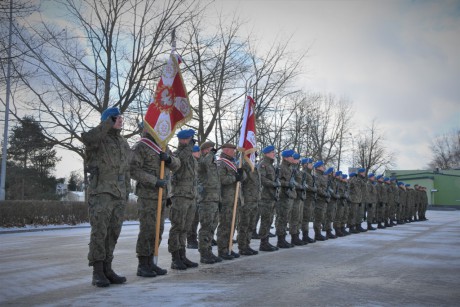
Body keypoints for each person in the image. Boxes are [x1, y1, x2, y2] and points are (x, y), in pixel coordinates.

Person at [81, 107, 131, 287]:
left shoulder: (123, 143)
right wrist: (106, 124)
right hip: (101, 192)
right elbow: (87, 138)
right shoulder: (98, 139)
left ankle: (108, 268)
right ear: (107, 120)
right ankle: (98, 271)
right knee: (100, 232)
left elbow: (126, 169)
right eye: (116, 118)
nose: (120, 120)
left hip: (118, 193)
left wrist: (126, 192)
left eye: (120, 118)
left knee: (113, 233)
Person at [130, 126, 180, 278]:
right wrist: (154, 181)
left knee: (158, 230)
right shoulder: (141, 146)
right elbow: (133, 170)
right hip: (147, 195)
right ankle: (142, 264)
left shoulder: (162, 146)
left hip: (162, 196)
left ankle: (151, 261)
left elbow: (177, 165)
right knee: (148, 230)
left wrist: (169, 159)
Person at [169, 129, 199, 270]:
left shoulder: (191, 156)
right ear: (183, 140)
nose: (192, 142)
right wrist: (188, 147)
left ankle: (182, 255)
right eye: (190, 139)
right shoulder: (178, 154)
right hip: (180, 196)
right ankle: (175, 257)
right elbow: (181, 160)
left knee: (186, 228)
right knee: (178, 227)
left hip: (191, 195)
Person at [217, 143, 245, 260]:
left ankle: (229, 247)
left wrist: (241, 175)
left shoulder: (233, 162)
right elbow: (221, 179)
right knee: (225, 225)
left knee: (232, 225)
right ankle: (222, 250)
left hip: (234, 198)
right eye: (233, 150)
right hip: (226, 199)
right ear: (227, 150)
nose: (234, 152)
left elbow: (241, 179)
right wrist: (235, 178)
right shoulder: (221, 163)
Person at [197, 141, 222, 264]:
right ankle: (204, 253)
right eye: (211, 150)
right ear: (205, 150)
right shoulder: (201, 161)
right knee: (206, 227)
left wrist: (219, 199)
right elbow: (204, 164)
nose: (214, 152)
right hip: (206, 199)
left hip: (214, 199)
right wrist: (211, 155)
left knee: (212, 226)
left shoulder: (213, 164)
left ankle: (209, 250)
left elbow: (216, 183)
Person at [257, 145, 279, 252]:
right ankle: (263, 243)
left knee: (269, 220)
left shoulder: (271, 166)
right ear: (266, 154)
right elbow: (261, 179)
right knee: (265, 220)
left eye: (273, 152)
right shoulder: (263, 165)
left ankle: (266, 241)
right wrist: (273, 184)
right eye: (271, 152)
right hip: (265, 196)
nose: (273, 154)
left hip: (271, 197)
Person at [238, 156, 261, 255]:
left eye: (254, 155)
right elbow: (243, 179)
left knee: (251, 224)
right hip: (246, 200)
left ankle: (247, 245)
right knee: (244, 225)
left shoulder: (255, 167)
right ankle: (242, 247)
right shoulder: (244, 166)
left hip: (255, 200)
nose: (254, 157)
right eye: (252, 155)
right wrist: (241, 171)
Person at [276, 149, 297, 248]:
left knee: (286, 219)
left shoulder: (290, 168)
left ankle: (283, 239)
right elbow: (278, 181)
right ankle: (280, 240)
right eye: (291, 156)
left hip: (289, 196)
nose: (293, 158)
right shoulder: (281, 168)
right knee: (282, 219)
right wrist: (288, 184)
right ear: (285, 158)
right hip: (283, 196)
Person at [186, 145, 201, 249]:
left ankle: (193, 238)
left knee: (195, 219)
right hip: (189, 194)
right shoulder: (189, 163)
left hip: (196, 195)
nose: (199, 153)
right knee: (190, 220)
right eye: (197, 151)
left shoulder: (198, 163)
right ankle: (190, 240)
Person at [290, 153, 306, 246]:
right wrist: (299, 186)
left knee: (299, 217)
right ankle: (294, 237)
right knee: (294, 218)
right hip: (294, 196)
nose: (298, 161)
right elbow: (292, 181)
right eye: (296, 159)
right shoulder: (291, 170)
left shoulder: (298, 171)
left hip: (299, 196)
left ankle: (297, 235)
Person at [300, 158, 317, 244]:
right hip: (305, 198)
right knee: (305, 218)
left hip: (310, 199)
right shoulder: (304, 173)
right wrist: (312, 189)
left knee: (307, 217)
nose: (312, 165)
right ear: (305, 165)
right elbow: (304, 185)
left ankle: (306, 235)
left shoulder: (310, 174)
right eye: (310, 164)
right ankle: (304, 236)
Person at [312, 161, 328, 241]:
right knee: (318, 218)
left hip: (323, 200)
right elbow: (318, 188)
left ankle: (319, 233)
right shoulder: (317, 176)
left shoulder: (322, 176)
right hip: (319, 199)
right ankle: (317, 234)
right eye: (322, 166)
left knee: (320, 217)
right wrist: (325, 194)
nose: (324, 167)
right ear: (318, 167)